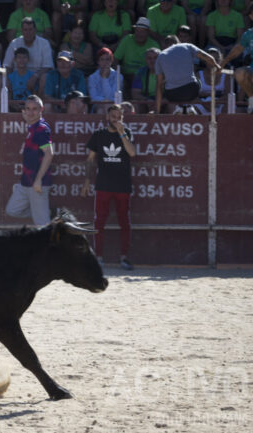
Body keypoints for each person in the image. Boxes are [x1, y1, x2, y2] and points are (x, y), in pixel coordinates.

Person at [81, 103, 136, 270]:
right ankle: (98, 257)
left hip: (122, 185)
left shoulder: (126, 133)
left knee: (124, 222)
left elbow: (132, 153)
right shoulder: (99, 135)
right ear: (107, 117)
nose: (116, 119)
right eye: (113, 116)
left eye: (119, 117)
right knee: (99, 222)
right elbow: (90, 159)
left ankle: (124, 257)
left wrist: (122, 134)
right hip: (103, 184)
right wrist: (86, 180)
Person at [5, 95, 54, 227]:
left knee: (42, 226)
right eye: (28, 109)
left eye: (34, 109)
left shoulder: (41, 129)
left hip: (37, 184)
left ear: (41, 109)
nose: (31, 112)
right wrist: (29, 121)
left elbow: (49, 155)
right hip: (26, 182)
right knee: (12, 210)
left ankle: (49, 245)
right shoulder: (34, 127)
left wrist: (38, 180)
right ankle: (47, 213)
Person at [154, 35, 221, 113]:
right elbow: (208, 58)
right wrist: (218, 67)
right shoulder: (187, 46)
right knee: (196, 80)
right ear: (178, 42)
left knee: (167, 85)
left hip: (172, 95)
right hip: (191, 90)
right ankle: (188, 107)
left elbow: (159, 86)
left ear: (164, 46)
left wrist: (157, 110)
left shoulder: (160, 56)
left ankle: (181, 108)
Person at [220, 0, 253, 113]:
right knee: (239, 73)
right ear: (251, 17)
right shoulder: (248, 34)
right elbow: (237, 49)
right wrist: (223, 62)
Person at [114, 17, 159, 97]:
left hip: (145, 76)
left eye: (142, 31)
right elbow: (115, 59)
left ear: (148, 32)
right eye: (137, 31)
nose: (139, 34)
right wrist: (119, 75)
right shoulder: (127, 40)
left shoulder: (154, 45)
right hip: (126, 75)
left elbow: (158, 65)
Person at [193, 47, 231, 114]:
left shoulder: (226, 75)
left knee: (229, 107)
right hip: (202, 104)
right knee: (192, 109)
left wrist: (215, 103)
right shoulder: (198, 75)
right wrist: (204, 104)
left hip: (219, 104)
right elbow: (193, 95)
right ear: (205, 61)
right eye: (209, 60)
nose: (213, 63)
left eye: (216, 60)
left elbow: (228, 95)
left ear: (221, 60)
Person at [88, 47, 124, 112]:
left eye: (107, 59)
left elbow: (113, 96)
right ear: (98, 62)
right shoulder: (92, 77)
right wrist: (104, 101)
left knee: (107, 107)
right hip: (98, 105)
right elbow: (93, 97)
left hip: (114, 106)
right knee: (101, 109)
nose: (105, 62)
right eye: (102, 59)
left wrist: (104, 79)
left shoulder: (119, 76)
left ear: (111, 61)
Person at [131, 47, 159, 111]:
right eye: (149, 58)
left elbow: (171, 94)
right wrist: (147, 100)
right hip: (146, 101)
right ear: (145, 60)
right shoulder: (140, 73)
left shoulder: (166, 72)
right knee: (134, 103)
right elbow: (135, 94)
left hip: (163, 101)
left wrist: (160, 101)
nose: (152, 61)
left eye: (155, 58)